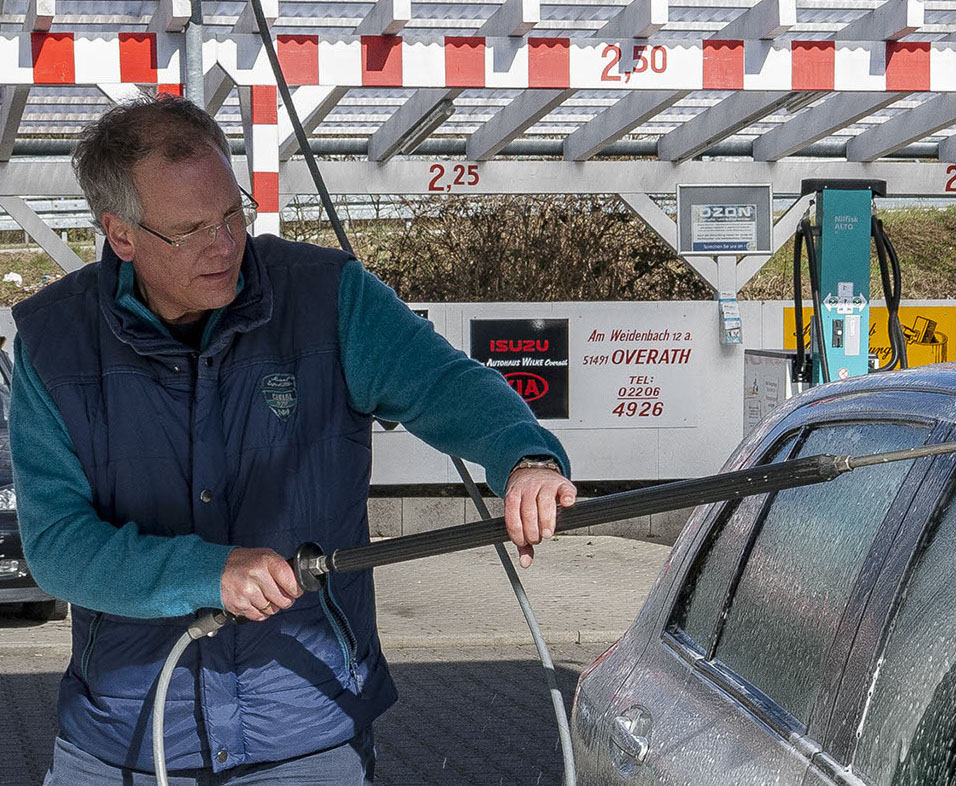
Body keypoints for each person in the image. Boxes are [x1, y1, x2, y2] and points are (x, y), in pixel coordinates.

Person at [9, 94, 576, 784]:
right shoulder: (51, 342)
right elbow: (57, 548)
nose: (224, 246)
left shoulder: (327, 296)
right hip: (120, 740)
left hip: (306, 732)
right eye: (190, 229)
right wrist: (205, 572)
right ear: (121, 234)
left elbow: (443, 383)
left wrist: (526, 455)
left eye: (231, 214)